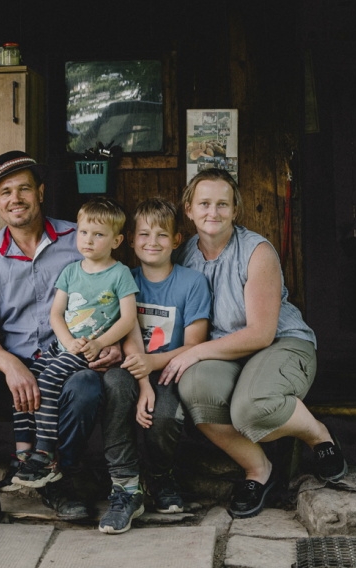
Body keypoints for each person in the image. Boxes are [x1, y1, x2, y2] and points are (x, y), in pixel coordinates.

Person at [0, 151, 122, 531]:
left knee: (86, 386)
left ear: (41, 192)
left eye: (24, 189)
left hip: (67, 364)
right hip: (10, 371)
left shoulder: (77, 239)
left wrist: (114, 342)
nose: (15, 198)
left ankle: (55, 476)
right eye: (5, 192)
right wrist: (11, 366)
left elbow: (116, 292)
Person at [165, 169, 347, 518]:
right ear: (188, 209)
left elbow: (261, 333)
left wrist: (196, 351)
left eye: (223, 204)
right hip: (226, 352)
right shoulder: (184, 255)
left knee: (250, 408)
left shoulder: (256, 251)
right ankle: (258, 470)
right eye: (204, 203)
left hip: (279, 343)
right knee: (195, 387)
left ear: (236, 210)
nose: (212, 212)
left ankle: (318, 435)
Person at [9, 198, 141, 515]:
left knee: (51, 378)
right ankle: (24, 451)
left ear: (116, 240)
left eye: (97, 235)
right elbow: (56, 314)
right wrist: (67, 341)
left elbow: (127, 319)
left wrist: (99, 343)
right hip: (67, 346)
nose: (88, 241)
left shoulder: (119, 273)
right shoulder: (71, 271)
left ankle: (46, 453)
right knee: (26, 381)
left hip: (91, 351)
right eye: (83, 233)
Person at [120, 197, 212, 515]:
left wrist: (152, 364)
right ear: (131, 239)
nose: (152, 242)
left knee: (164, 416)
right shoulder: (123, 280)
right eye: (144, 234)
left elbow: (194, 345)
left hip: (170, 371)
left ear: (176, 240)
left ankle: (160, 476)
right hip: (130, 368)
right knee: (113, 395)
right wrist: (142, 376)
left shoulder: (192, 283)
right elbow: (121, 334)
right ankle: (123, 482)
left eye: (161, 235)